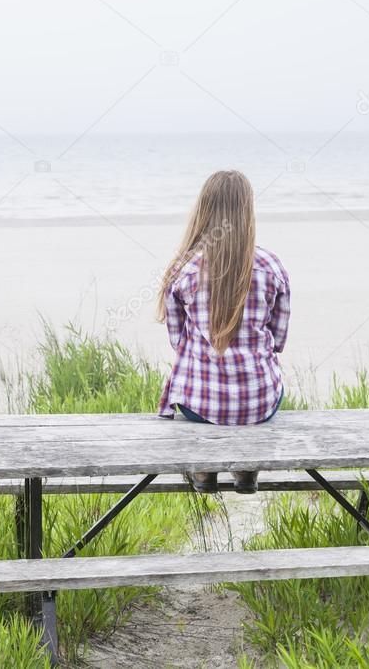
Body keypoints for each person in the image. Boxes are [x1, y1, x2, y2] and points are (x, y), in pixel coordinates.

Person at [156, 170, 291, 494]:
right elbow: (279, 340)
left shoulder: (183, 269)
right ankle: (246, 470)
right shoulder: (271, 265)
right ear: (248, 212)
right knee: (266, 385)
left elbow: (177, 342)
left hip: (198, 406)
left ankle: (204, 471)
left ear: (204, 210)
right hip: (258, 403)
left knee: (196, 385)